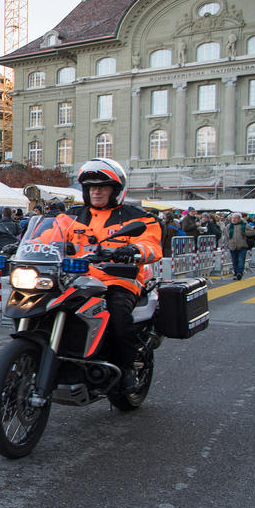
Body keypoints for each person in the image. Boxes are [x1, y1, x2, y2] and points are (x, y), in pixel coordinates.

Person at [62, 158, 162, 391]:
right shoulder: (71, 216)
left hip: (118, 279)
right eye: (91, 187)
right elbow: (46, 236)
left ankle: (126, 368)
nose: (96, 191)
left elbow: (152, 245)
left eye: (102, 187)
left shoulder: (136, 217)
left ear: (115, 190)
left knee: (117, 314)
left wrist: (132, 250)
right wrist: (20, 247)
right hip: (76, 280)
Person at [223, 212, 254, 280]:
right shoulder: (228, 226)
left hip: (242, 245)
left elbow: (253, 232)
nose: (234, 219)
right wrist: (228, 244)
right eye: (233, 218)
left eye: (235, 218)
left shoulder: (244, 225)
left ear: (239, 219)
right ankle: (236, 273)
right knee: (234, 261)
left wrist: (244, 233)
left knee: (241, 260)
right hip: (232, 246)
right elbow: (226, 237)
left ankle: (239, 273)